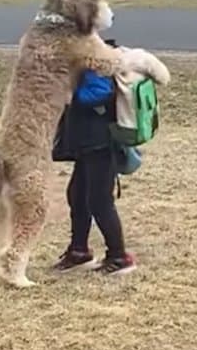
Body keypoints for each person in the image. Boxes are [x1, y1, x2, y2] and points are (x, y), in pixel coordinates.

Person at [51, 67, 137, 276]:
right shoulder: (83, 58)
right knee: (77, 196)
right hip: (87, 144)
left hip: (100, 144)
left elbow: (101, 92)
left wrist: (70, 94)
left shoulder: (96, 62)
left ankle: (119, 256)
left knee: (99, 201)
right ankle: (79, 252)